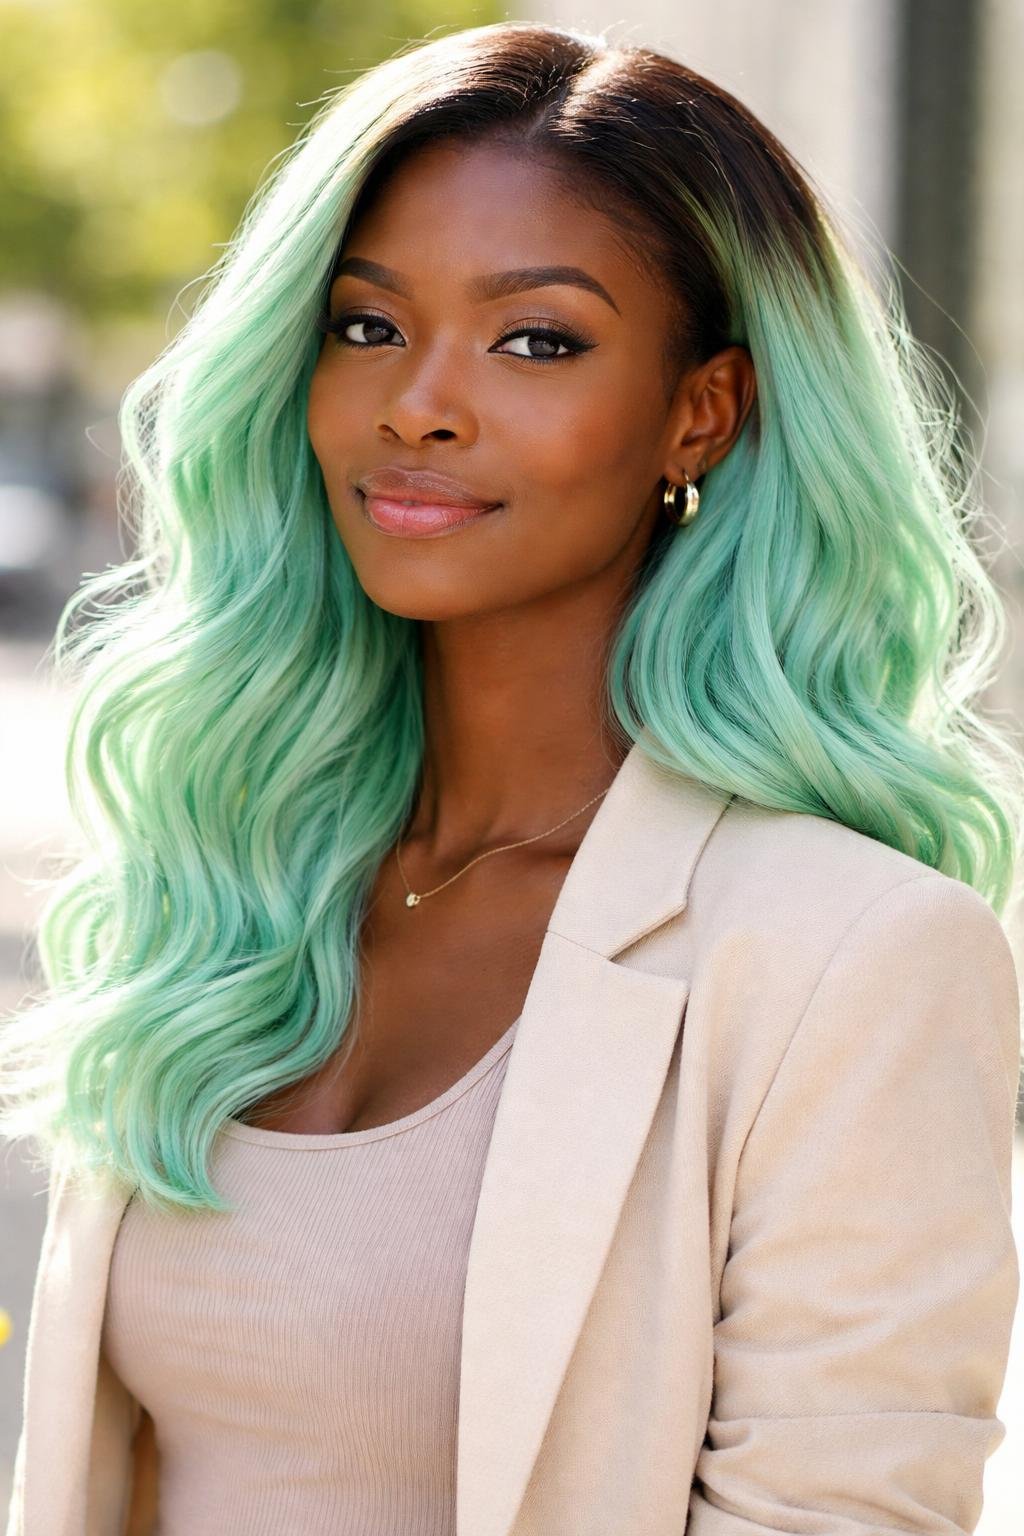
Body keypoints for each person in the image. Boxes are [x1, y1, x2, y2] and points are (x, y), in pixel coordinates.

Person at [3, 20, 1022, 1536]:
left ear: (704, 412)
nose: (421, 403)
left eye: (536, 339)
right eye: (366, 326)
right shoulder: (231, 881)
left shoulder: (853, 959)